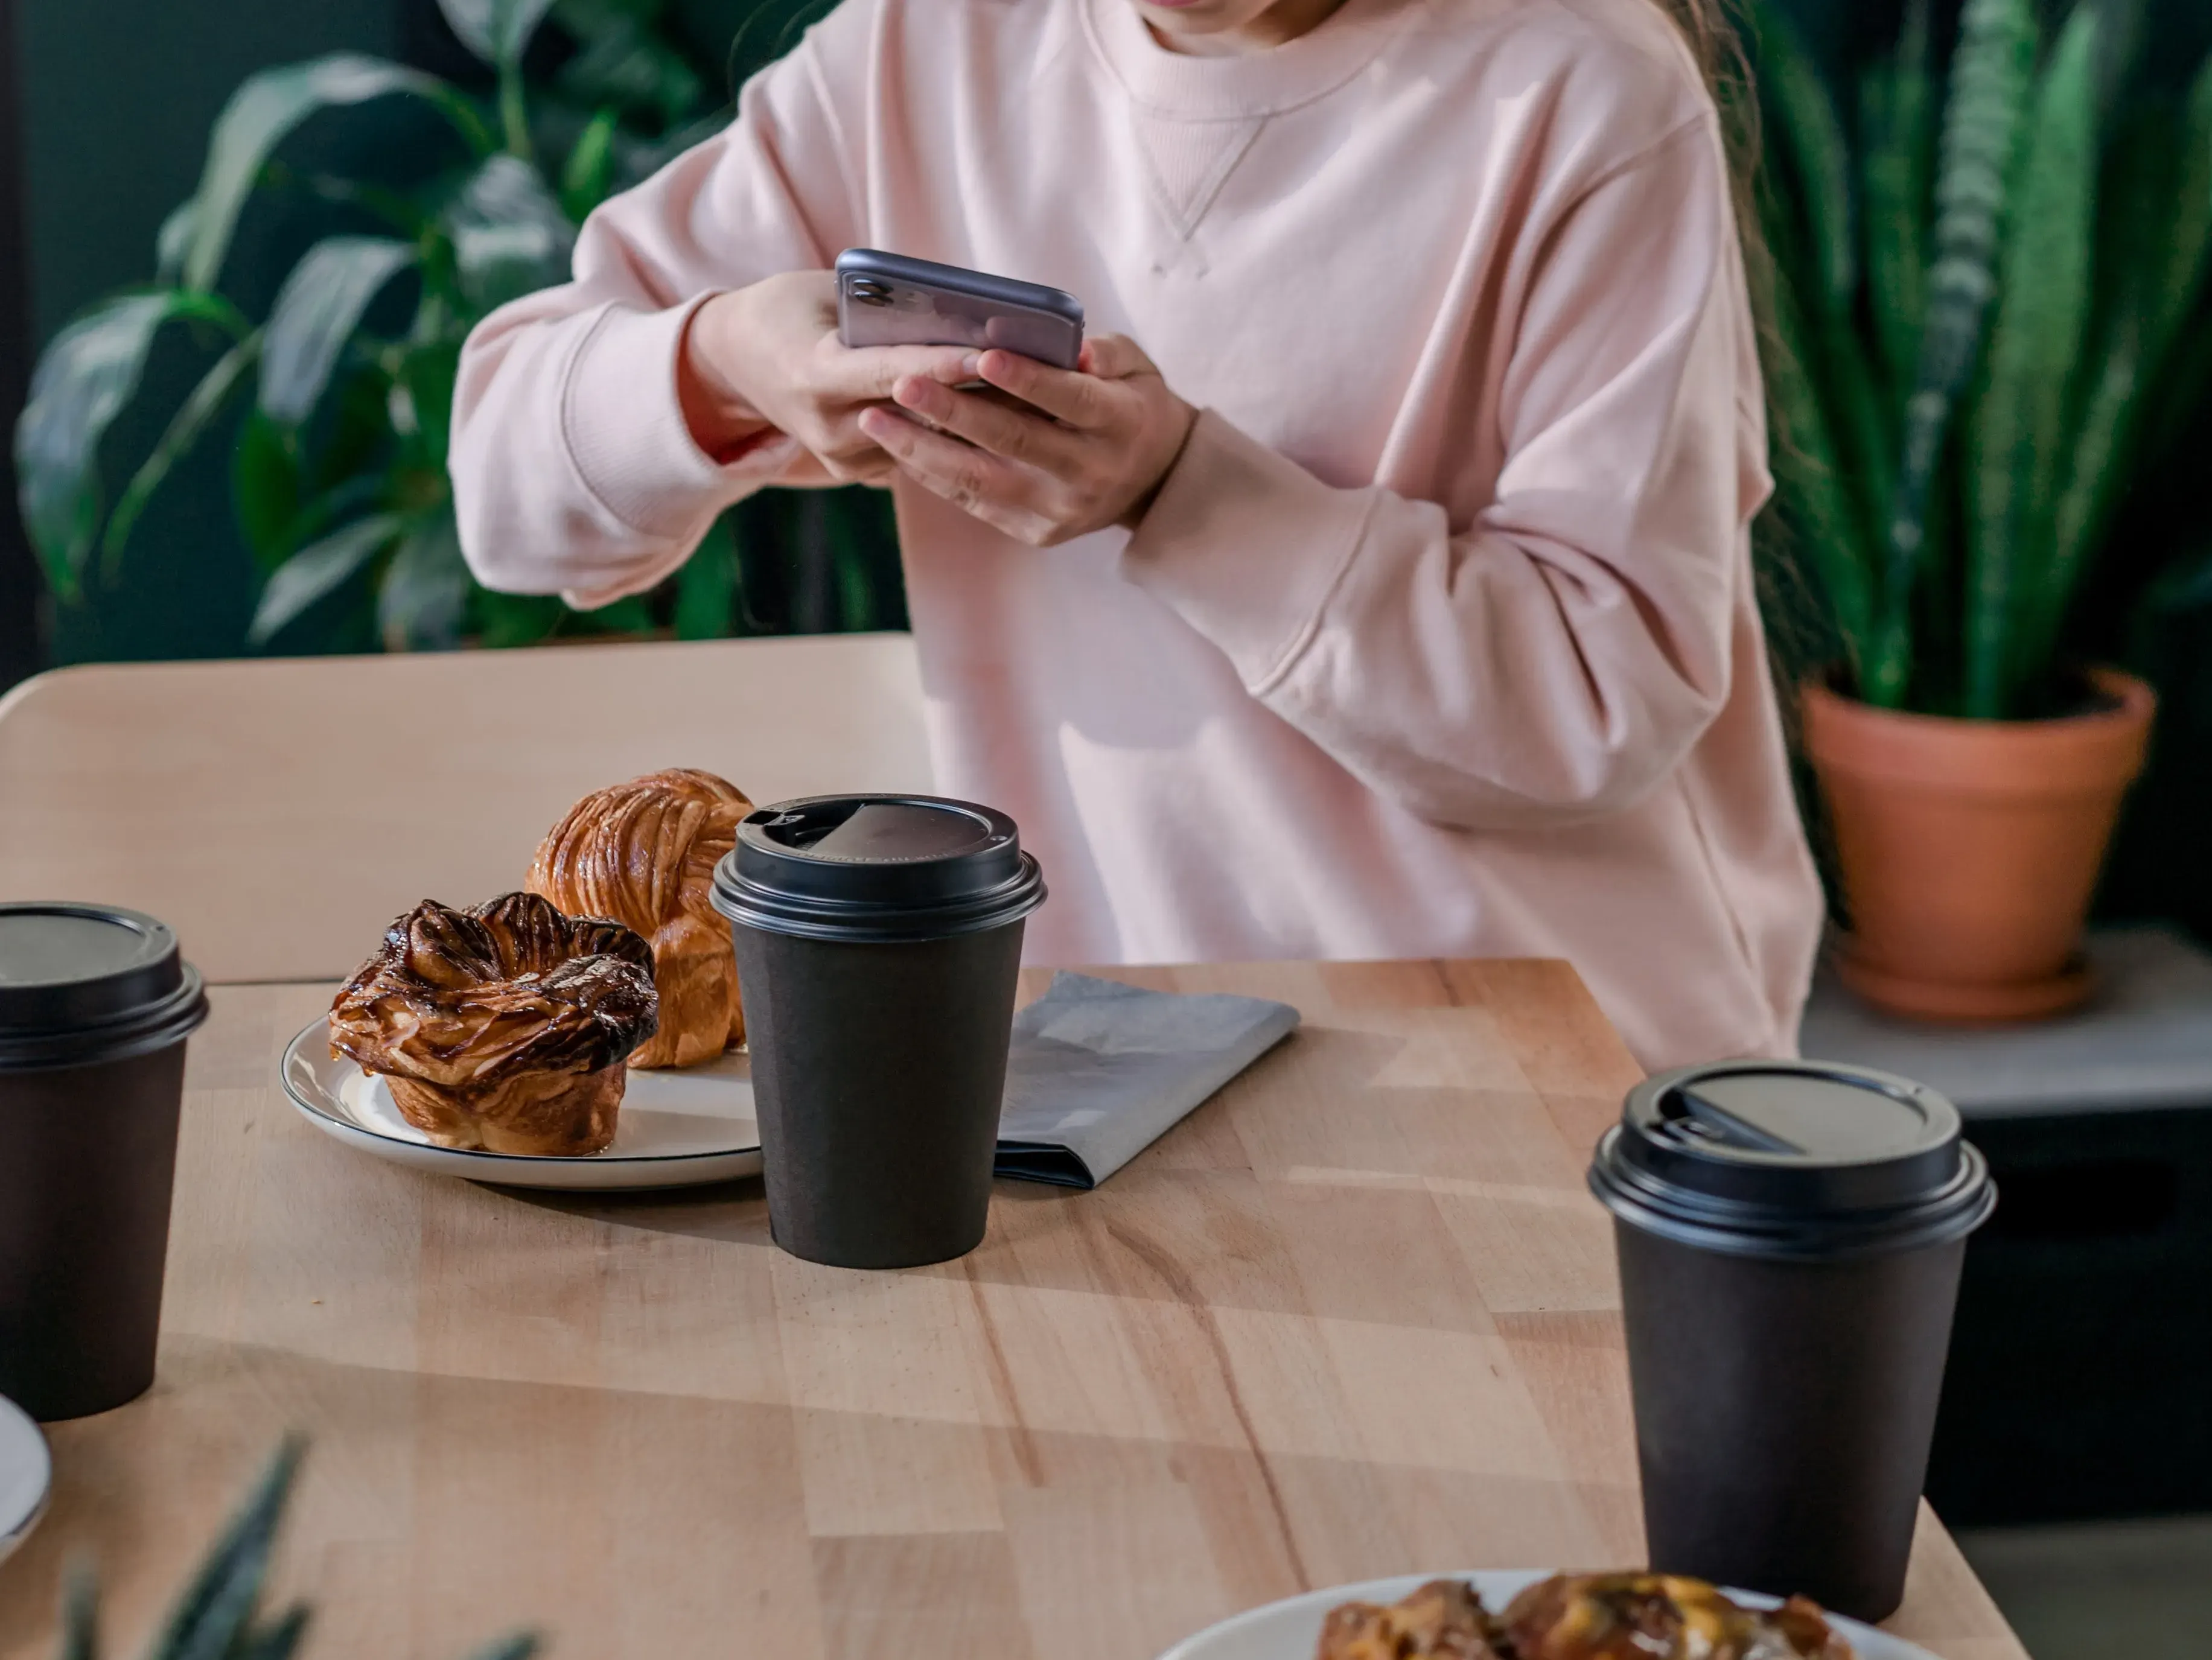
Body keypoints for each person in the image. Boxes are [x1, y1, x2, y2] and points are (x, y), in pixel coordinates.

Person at [451, 0, 1825, 1069]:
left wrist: (1179, 495)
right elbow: (510, 494)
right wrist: (720, 360)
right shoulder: (922, 51)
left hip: (1554, 1084)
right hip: (1124, 1072)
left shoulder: (1581, 91)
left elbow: (1596, 707)